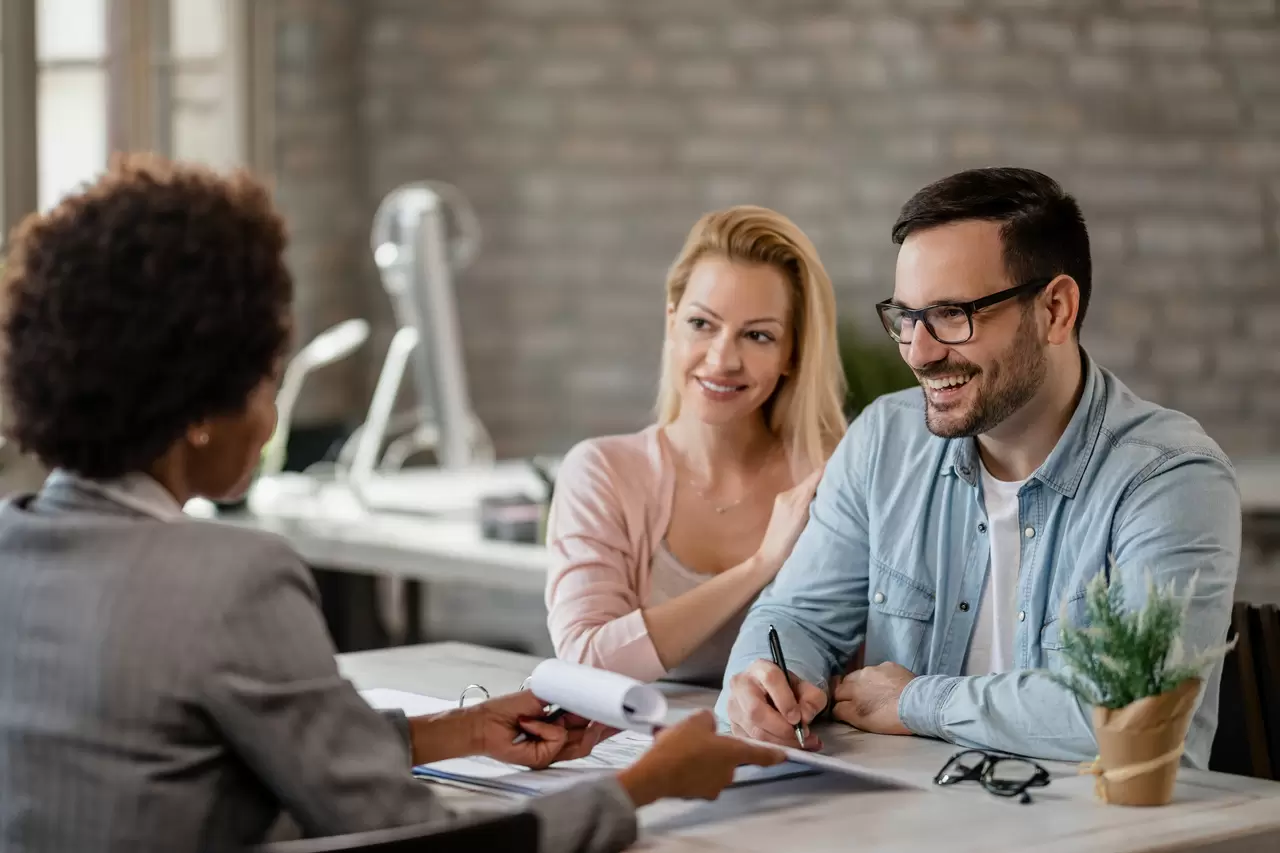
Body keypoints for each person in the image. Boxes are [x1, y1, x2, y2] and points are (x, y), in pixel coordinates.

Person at [0, 154, 784, 853]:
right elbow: (406, 835)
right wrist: (642, 785)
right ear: (199, 407)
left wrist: (456, 729)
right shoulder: (229, 579)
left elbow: (221, 747)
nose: (273, 413)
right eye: (269, 376)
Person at [717, 167, 1240, 766]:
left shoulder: (1170, 478)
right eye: (906, 318)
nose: (919, 352)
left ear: (1056, 311)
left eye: (952, 315)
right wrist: (766, 682)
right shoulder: (885, 441)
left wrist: (918, 701)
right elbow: (797, 616)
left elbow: (1140, 713)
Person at [545, 205, 847, 686]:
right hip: (643, 752)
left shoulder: (834, 476)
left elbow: (865, 656)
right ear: (671, 322)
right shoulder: (602, 471)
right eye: (702, 324)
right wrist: (760, 566)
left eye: (757, 335)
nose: (723, 358)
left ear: (793, 352)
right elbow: (586, 659)